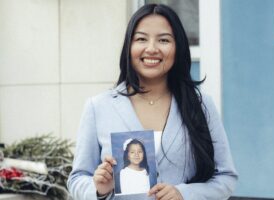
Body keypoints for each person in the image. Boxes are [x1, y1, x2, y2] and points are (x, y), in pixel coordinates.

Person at [67, 3, 238, 200]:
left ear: (178, 47)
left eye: (163, 40)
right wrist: (98, 189)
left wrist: (185, 194)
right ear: (129, 46)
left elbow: (225, 177)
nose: (151, 49)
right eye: (141, 39)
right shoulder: (99, 107)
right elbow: (77, 179)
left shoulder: (200, 104)